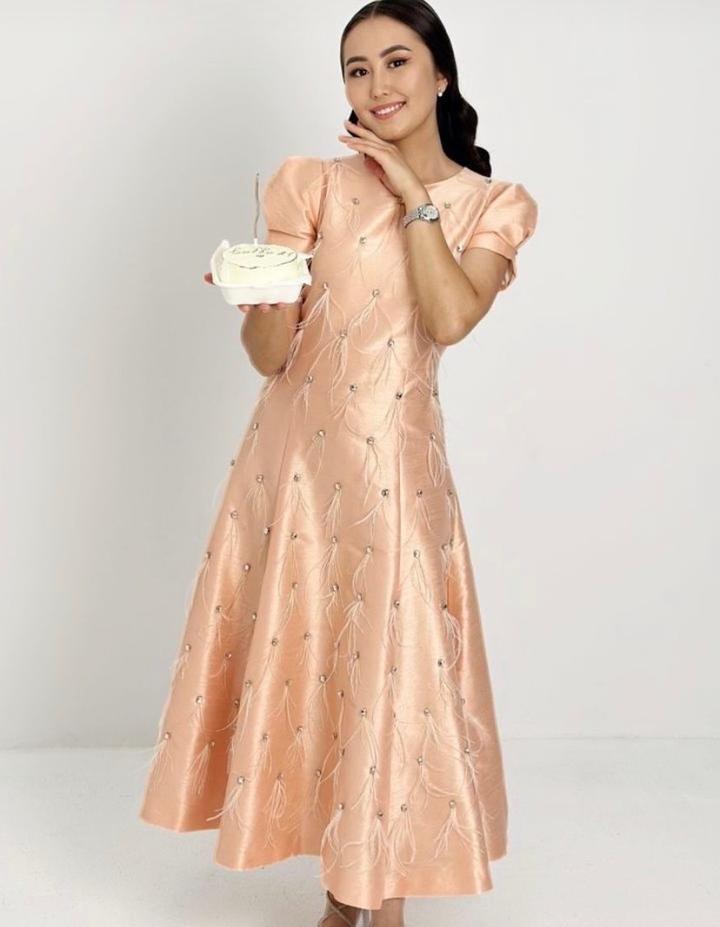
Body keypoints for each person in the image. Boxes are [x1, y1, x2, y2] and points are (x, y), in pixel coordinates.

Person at [138, 2, 538, 926]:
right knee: (313, 657)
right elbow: (271, 358)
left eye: (397, 61)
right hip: (295, 470)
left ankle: (375, 899)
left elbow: (448, 317)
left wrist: (410, 189)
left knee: (390, 670)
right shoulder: (308, 182)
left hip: (397, 468)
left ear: (440, 73)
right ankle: (338, 895)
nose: (377, 84)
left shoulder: (495, 204)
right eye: (357, 69)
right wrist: (259, 295)